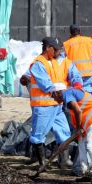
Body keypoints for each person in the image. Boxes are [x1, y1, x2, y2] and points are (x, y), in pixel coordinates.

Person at [23, 37, 73, 169]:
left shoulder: (53, 62)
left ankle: (64, 160)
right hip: (43, 105)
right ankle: (42, 162)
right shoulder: (39, 64)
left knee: (64, 132)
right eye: (55, 49)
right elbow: (46, 85)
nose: (58, 52)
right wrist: (60, 91)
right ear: (47, 48)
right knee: (38, 134)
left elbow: (58, 80)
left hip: (56, 105)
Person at [53, 87, 92, 184]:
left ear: (58, 92)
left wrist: (78, 129)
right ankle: (88, 173)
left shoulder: (67, 93)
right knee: (82, 142)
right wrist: (66, 143)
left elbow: (78, 111)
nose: (53, 99)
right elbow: (79, 125)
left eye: (52, 95)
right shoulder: (69, 103)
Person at [63, 24, 92, 93]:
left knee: (76, 92)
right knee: (87, 91)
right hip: (87, 72)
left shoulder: (66, 44)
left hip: (74, 73)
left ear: (70, 32)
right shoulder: (88, 40)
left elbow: (63, 61)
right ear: (80, 31)